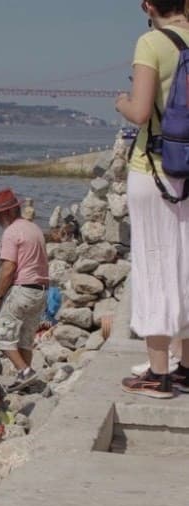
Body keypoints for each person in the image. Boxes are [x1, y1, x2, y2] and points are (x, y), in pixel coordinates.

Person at [115, 0, 189, 398]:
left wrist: (120, 103)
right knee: (186, 263)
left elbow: (141, 111)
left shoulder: (151, 42)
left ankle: (158, 375)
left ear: (147, 4)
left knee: (155, 264)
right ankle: (187, 370)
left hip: (155, 171)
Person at [0, 188, 49, 392]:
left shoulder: (11, 233)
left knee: (2, 337)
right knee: (25, 339)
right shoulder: (34, 228)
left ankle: (25, 372)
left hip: (22, 290)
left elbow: (8, 269)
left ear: (7, 213)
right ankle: (26, 383)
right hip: (41, 291)